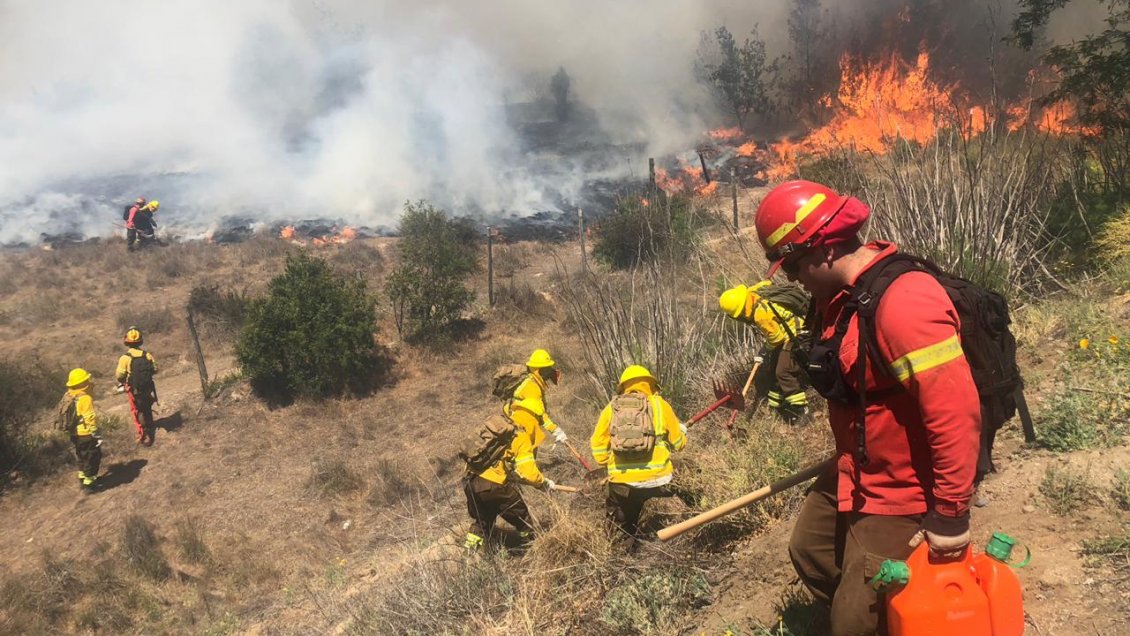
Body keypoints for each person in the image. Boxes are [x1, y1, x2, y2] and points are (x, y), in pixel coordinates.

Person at [753, 180, 981, 635]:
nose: (792, 279)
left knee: (851, 622)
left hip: (903, 490)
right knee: (811, 550)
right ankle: (891, 611)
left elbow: (955, 411)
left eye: (794, 266)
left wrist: (951, 513)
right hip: (857, 469)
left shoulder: (905, 303)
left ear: (825, 248)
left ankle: (895, 616)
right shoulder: (838, 303)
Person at [590, 365, 686, 550]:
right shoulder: (660, 405)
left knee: (620, 526)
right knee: (690, 472)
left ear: (623, 386)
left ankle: (622, 548)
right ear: (650, 384)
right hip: (661, 481)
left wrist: (610, 462)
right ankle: (700, 516)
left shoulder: (611, 409)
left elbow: (598, 449)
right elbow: (679, 444)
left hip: (623, 485)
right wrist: (680, 432)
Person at [464, 398, 558, 550]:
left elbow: (503, 466)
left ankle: (469, 555)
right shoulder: (520, 437)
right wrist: (544, 483)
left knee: (482, 523)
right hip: (494, 487)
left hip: (471, 484)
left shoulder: (502, 430)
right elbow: (530, 474)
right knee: (523, 520)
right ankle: (537, 548)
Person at [718, 280, 810, 424]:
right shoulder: (754, 291)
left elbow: (776, 338)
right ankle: (777, 408)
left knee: (783, 372)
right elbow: (767, 281)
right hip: (789, 332)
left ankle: (801, 410)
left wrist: (763, 351)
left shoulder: (760, 315)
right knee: (771, 369)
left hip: (797, 334)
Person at [506, 349, 570, 447]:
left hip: (522, 421)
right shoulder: (532, 387)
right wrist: (556, 431)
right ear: (537, 370)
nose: (549, 372)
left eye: (549, 368)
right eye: (546, 369)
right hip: (521, 422)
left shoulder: (533, 382)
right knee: (525, 452)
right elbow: (541, 414)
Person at [116, 326, 159, 446]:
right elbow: (155, 369)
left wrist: (125, 381)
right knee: (146, 406)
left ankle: (143, 434)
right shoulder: (147, 355)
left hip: (134, 389)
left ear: (127, 342)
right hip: (147, 387)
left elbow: (119, 375)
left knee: (136, 410)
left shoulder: (125, 358)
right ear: (140, 341)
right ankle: (150, 425)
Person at [60, 368, 102, 493]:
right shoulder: (85, 398)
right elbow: (89, 417)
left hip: (73, 433)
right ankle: (89, 484)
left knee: (81, 455)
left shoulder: (68, 395)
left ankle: (82, 477)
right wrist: (96, 433)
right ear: (83, 383)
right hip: (86, 434)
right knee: (92, 457)